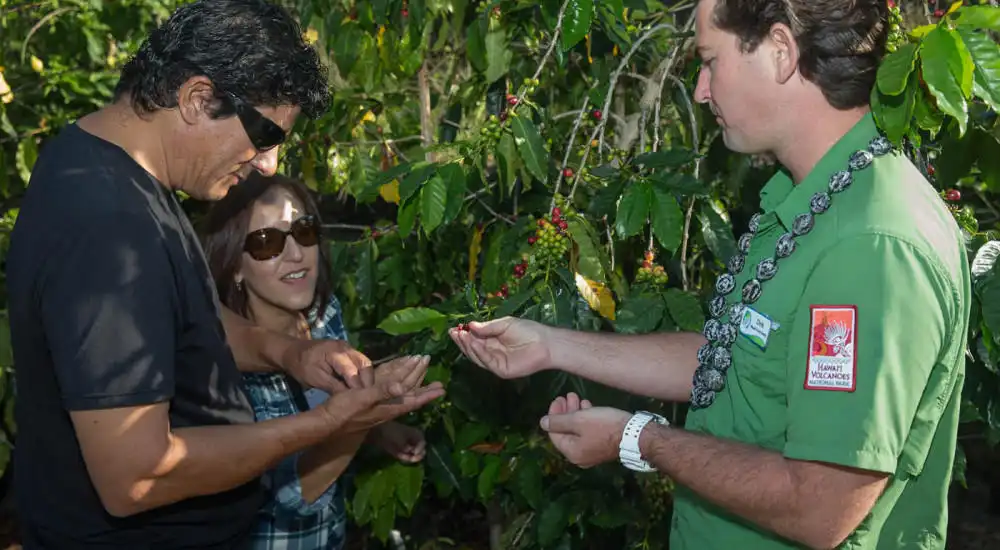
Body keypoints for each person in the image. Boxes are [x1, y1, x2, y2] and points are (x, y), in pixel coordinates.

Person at [450, 1, 970, 548]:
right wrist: (553, 345)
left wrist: (640, 439)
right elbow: (736, 360)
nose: (701, 90)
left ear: (780, 52)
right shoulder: (809, 199)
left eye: (709, 61)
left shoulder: (871, 247)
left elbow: (821, 505)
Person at [5, 0, 443, 548]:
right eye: (264, 136)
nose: (267, 165)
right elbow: (137, 477)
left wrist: (292, 355)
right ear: (197, 98)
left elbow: (189, 318)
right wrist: (330, 423)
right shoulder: (109, 231)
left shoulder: (109, 171)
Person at [200, 171, 428, 549]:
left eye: (303, 231)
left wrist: (380, 432)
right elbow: (288, 497)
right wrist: (362, 419)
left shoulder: (323, 317)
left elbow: (336, 410)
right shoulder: (225, 364)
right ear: (235, 265)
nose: (295, 253)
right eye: (266, 242)